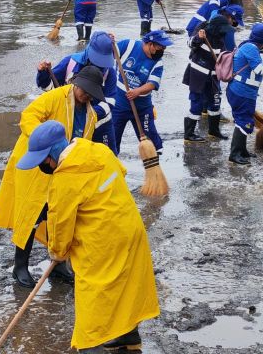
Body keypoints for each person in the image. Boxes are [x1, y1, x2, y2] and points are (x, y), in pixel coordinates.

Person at [16, 122, 160, 352]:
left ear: (53, 152)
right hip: (130, 231)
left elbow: (61, 226)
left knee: (93, 306)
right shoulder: (99, 151)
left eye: (43, 160)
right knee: (125, 289)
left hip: (102, 245)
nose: (42, 166)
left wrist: (58, 252)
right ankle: (127, 338)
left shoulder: (64, 180)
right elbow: (120, 173)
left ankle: (91, 347)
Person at [0, 65, 106, 288]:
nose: (86, 95)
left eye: (91, 92)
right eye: (84, 90)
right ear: (76, 83)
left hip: (63, 171)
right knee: (32, 216)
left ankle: (59, 264)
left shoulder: (90, 114)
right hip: (39, 166)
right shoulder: (55, 97)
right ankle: (20, 267)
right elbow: (28, 117)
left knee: (59, 217)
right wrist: (43, 142)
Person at [36, 32, 118, 153]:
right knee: (72, 157)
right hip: (72, 121)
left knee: (107, 157)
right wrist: (43, 73)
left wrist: (89, 115)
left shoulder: (109, 72)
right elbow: (49, 88)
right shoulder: (70, 63)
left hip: (100, 123)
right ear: (89, 50)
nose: (100, 65)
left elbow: (110, 102)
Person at [225, 23, 263, 164]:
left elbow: (256, 71)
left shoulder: (249, 47)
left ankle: (242, 150)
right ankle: (234, 154)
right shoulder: (250, 49)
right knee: (244, 122)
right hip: (241, 92)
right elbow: (259, 69)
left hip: (244, 92)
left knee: (244, 120)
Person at [183, 5, 244, 142]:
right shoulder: (203, 28)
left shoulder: (221, 36)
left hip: (213, 75)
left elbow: (226, 53)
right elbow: (190, 43)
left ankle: (214, 131)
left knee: (215, 102)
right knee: (196, 103)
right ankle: (189, 134)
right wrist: (198, 38)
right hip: (198, 73)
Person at [113, 30, 172, 157]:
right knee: (112, 141)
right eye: (160, 47)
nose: (162, 50)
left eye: (164, 48)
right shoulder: (128, 45)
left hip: (142, 107)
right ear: (150, 44)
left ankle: (153, 165)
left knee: (151, 142)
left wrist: (137, 91)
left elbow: (152, 84)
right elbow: (108, 51)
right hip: (119, 104)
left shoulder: (158, 62)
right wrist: (109, 41)